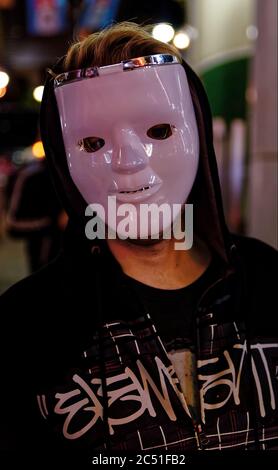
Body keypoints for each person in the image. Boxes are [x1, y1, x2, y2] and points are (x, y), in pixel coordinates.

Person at [0, 22, 277, 465]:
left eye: (159, 132)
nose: (128, 161)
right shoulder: (25, 327)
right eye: (93, 142)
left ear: (198, 132)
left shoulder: (269, 281)